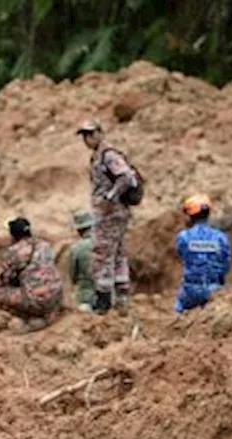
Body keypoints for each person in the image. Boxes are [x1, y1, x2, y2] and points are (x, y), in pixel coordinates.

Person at [77, 119, 138, 314]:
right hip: (112, 212)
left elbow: (127, 177)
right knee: (117, 252)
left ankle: (103, 300)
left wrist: (110, 197)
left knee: (102, 252)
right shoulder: (98, 156)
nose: (87, 139)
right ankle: (121, 296)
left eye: (91, 134)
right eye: (84, 136)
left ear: (100, 133)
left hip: (110, 213)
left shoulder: (108, 154)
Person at [0, 217, 64, 331]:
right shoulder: (44, 245)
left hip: (39, 300)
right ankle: (50, 312)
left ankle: (32, 319)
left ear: (13, 235)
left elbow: (5, 279)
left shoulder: (15, 251)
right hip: (57, 296)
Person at [173, 194, 232, 314]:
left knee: (178, 307)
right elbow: (226, 265)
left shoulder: (183, 237)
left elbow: (182, 254)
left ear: (190, 216)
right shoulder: (220, 237)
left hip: (190, 291)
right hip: (214, 290)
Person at [68, 210, 96, 311]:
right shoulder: (107, 243)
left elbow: (73, 275)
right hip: (108, 296)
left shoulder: (76, 248)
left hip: (86, 298)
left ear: (79, 230)